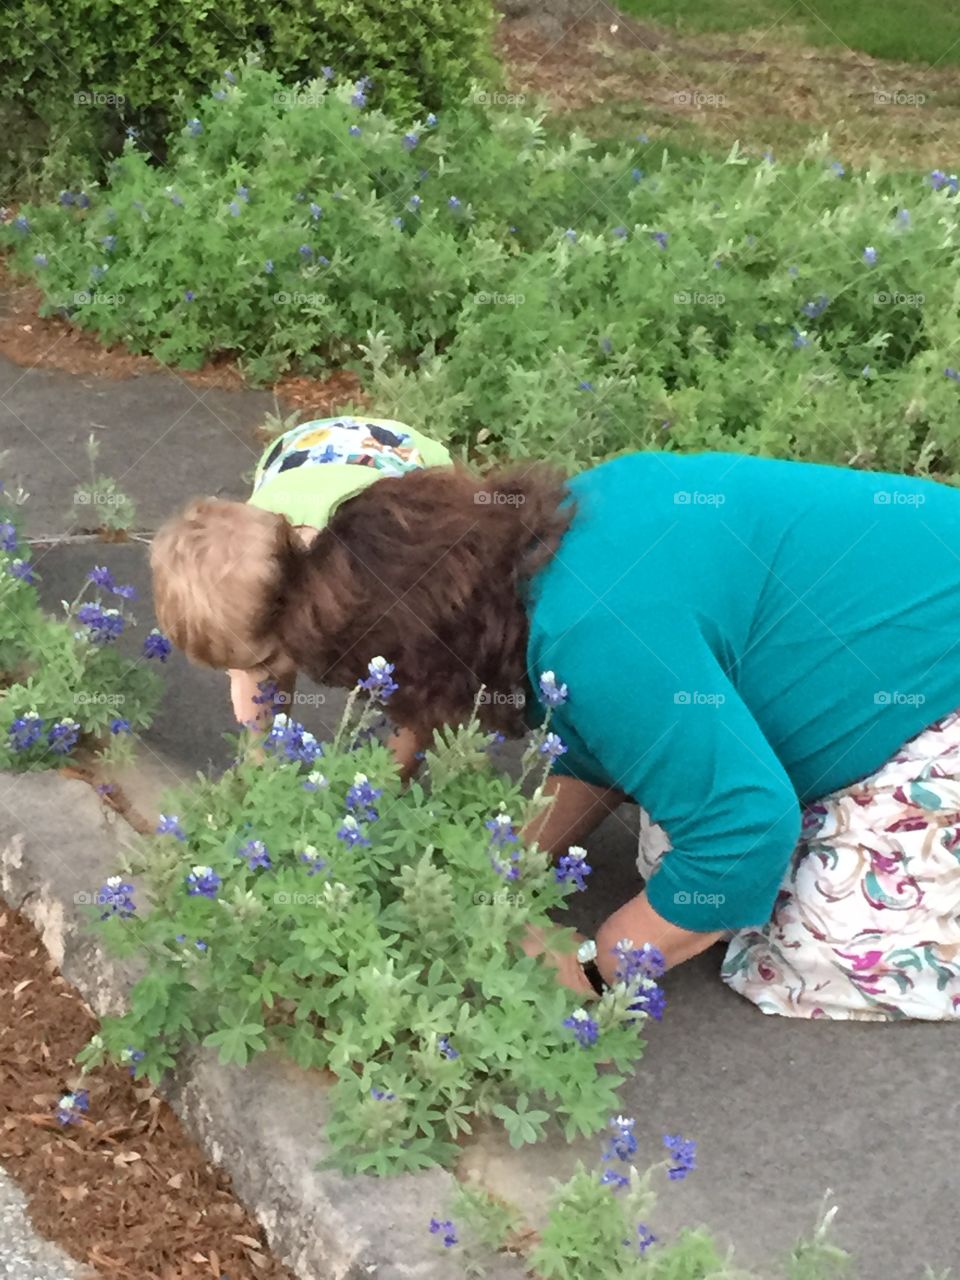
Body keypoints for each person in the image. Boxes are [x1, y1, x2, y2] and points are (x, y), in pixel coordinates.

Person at [266, 449, 960, 1022]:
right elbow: (607, 734)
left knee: (809, 949)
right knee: (675, 863)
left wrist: (591, 969)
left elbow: (743, 830)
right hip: (893, 650)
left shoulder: (593, 638)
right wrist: (501, 865)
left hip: (940, 693)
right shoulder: (551, 542)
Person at [150, 415, 452, 772]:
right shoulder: (263, 565)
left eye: (259, 663)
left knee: (422, 657)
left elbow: (420, 682)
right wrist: (259, 754)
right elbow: (254, 677)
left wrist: (386, 780)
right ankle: (263, 769)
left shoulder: (366, 574)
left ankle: (394, 777)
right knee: (260, 652)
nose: (251, 674)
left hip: (407, 469)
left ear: (296, 603)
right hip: (302, 454)